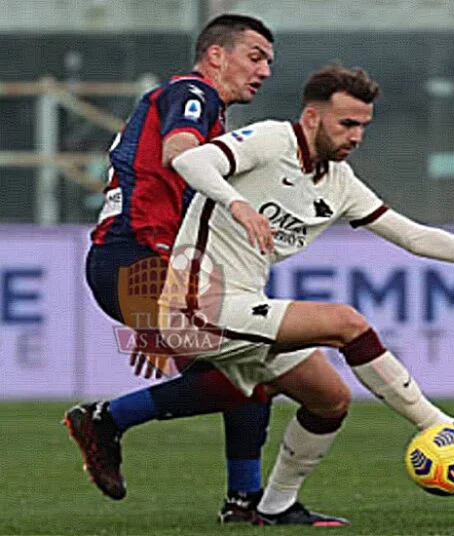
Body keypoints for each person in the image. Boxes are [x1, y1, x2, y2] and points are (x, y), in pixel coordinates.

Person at [156, 64, 454, 526]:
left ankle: (274, 506)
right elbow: (190, 160)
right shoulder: (272, 141)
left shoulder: (339, 183)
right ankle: (440, 426)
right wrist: (236, 202)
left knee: (329, 398)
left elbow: (414, 236)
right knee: (345, 323)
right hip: (193, 303)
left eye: (363, 127)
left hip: (239, 308)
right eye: (346, 124)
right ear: (312, 118)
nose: (356, 136)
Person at [64, 14, 279, 523]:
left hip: (137, 261)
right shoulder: (192, 94)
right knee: (248, 367)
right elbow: (179, 153)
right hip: (138, 256)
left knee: (251, 372)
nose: (265, 70)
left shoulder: (206, 111)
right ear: (215, 56)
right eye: (255, 56)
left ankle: (244, 503)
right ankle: (106, 419)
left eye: (270, 61)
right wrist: (162, 284)